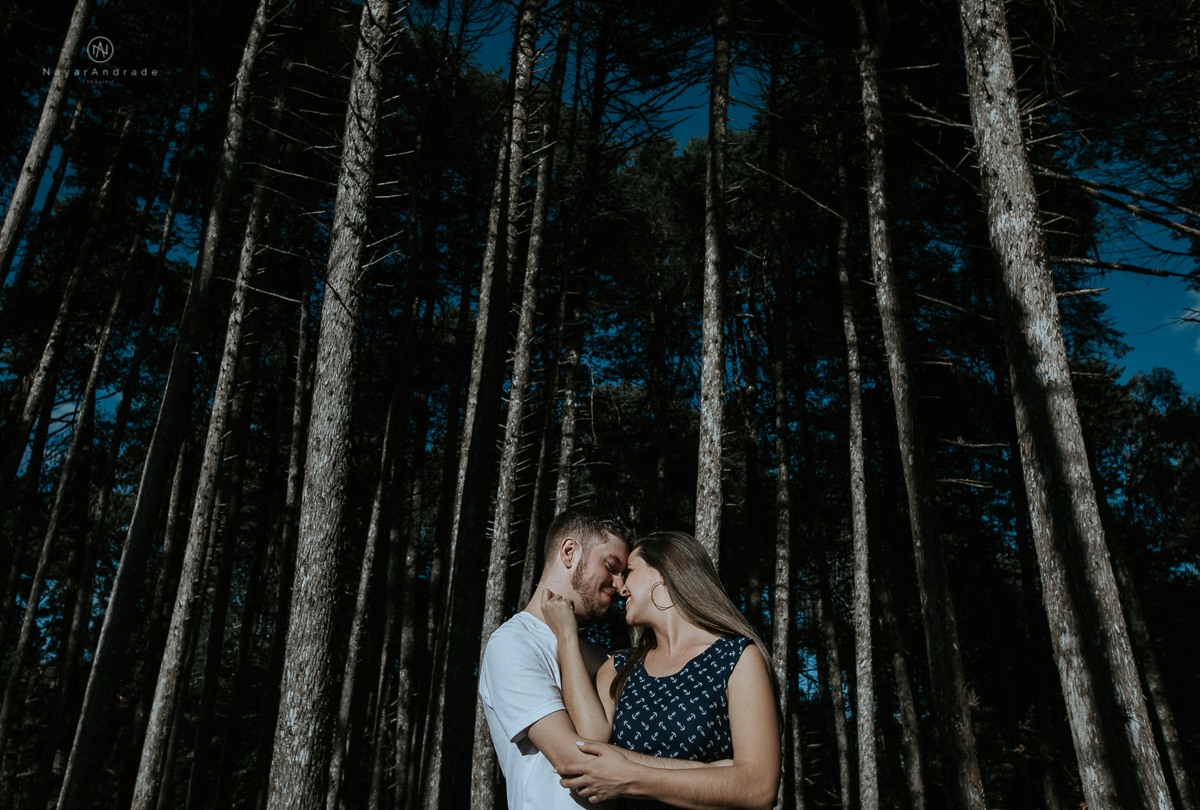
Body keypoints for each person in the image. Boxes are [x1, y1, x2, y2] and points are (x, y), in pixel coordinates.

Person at [544, 530, 780, 810]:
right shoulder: (619, 668)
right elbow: (590, 748)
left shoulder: (735, 658)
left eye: (629, 571)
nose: (620, 587)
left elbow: (759, 788)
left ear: (664, 573)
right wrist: (567, 637)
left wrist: (631, 777)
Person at [477, 506, 634, 810]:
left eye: (623, 574)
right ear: (569, 551)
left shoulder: (597, 654)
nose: (620, 584)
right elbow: (576, 763)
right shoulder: (512, 643)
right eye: (611, 566)